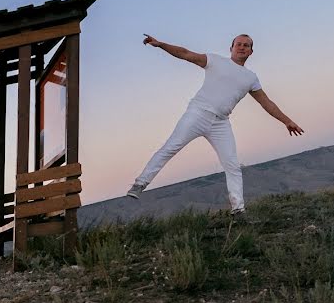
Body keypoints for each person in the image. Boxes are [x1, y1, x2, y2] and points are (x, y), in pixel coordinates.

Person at [127, 34, 303, 214]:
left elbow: (266, 103)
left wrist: (287, 121)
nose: (242, 47)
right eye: (238, 44)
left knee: (232, 164)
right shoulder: (215, 60)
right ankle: (139, 184)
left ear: (251, 52)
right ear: (231, 48)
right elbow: (185, 54)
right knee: (171, 147)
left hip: (221, 123)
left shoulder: (251, 78)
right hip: (197, 114)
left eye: (247, 45)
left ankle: (238, 209)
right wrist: (160, 44)